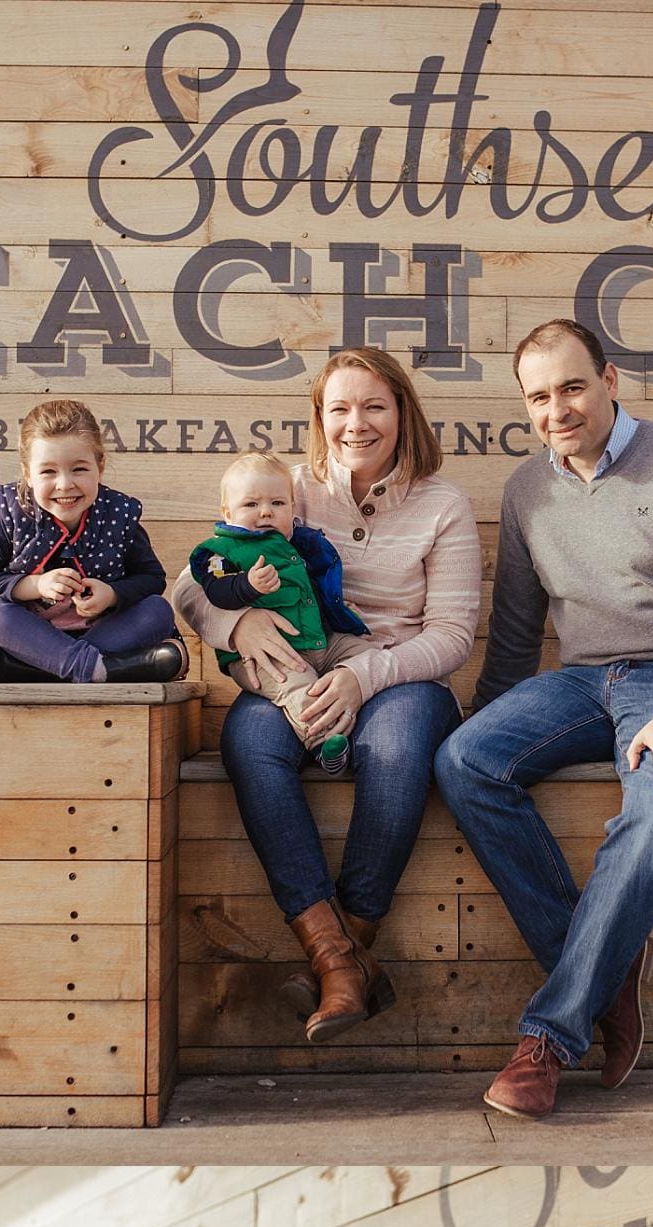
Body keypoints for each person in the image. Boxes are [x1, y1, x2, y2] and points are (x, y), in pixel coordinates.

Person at [434, 321, 653, 1118]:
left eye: (572, 387)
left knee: (652, 820)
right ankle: (606, 970)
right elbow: (516, 635)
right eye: (538, 397)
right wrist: (486, 718)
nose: (557, 409)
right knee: (463, 761)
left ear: (610, 380)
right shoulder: (527, 490)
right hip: (583, 682)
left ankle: (549, 1040)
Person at [171, 348, 481, 1042]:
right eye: (339, 408)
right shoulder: (290, 490)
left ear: (402, 413)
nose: (355, 423)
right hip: (296, 671)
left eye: (373, 406)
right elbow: (190, 583)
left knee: (395, 748)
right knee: (248, 739)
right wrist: (237, 623)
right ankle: (343, 960)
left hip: (402, 679)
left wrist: (364, 676)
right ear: (320, 419)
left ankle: (338, 959)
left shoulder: (443, 505)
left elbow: (452, 636)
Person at [0, 396, 185, 684]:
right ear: (28, 474)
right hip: (32, 637)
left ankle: (45, 670)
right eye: (48, 471)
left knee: (157, 610)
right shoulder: (12, 514)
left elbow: (151, 579)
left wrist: (111, 594)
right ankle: (98, 669)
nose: (65, 484)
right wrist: (35, 585)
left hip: (104, 633)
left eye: (79, 469)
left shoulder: (119, 514)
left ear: (100, 466)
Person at [189, 452, 370, 774]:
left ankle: (368, 720)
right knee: (295, 686)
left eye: (277, 503)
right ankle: (323, 743)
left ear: (292, 507)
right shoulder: (219, 552)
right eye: (251, 504)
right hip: (266, 655)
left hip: (319, 640)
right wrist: (247, 585)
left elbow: (312, 591)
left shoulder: (298, 545)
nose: (265, 512)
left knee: (364, 654)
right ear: (227, 512)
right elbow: (216, 591)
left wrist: (338, 609)